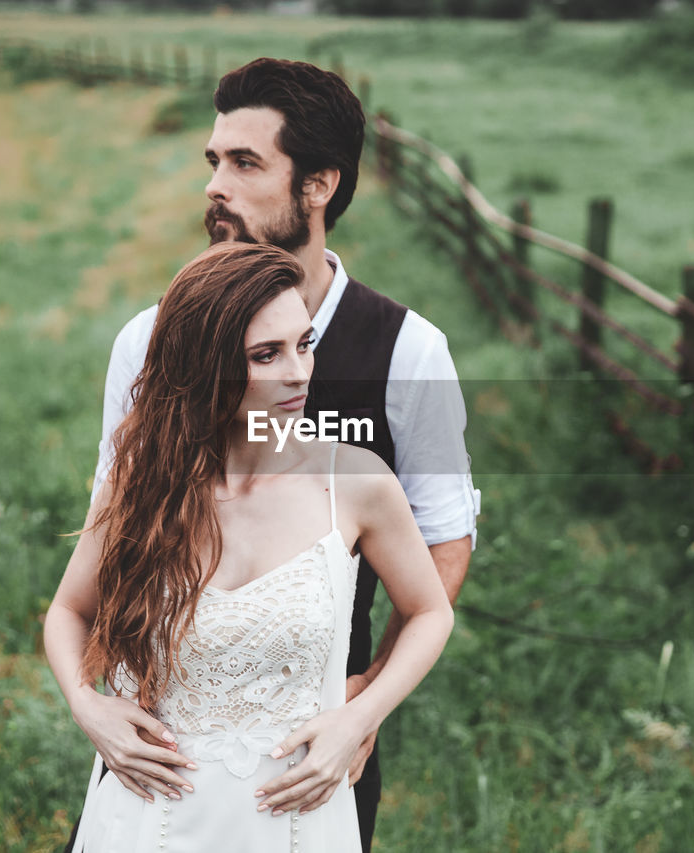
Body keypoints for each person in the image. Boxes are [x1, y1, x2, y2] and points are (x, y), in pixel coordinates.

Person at [65, 57, 478, 852]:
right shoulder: (148, 342)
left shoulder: (409, 351)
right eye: (213, 161)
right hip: (160, 751)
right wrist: (95, 699)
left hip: (316, 738)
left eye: (245, 163)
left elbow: (444, 543)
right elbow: (109, 539)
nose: (216, 185)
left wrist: (363, 704)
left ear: (318, 185)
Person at [45, 242, 454, 852]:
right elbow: (68, 611)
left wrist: (359, 716)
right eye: (266, 355)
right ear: (207, 367)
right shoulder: (142, 482)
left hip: (294, 819)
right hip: (148, 819)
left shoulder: (356, 482)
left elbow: (430, 610)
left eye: (304, 343)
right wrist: (87, 705)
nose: (298, 371)